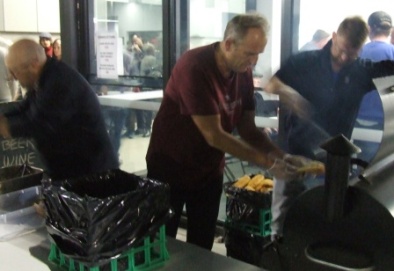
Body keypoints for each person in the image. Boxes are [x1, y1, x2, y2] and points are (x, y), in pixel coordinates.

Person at [146, 13, 310, 251]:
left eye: (258, 54)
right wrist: (268, 163)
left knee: (201, 246)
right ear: (229, 44)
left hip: (208, 172)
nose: (254, 62)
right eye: (249, 53)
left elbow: (248, 130)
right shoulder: (194, 66)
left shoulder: (242, 72)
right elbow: (214, 135)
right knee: (162, 246)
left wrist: (280, 156)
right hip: (170, 168)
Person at [264, 16, 394, 239]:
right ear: (334, 36)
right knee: (281, 221)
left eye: (351, 53)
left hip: (332, 163)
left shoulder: (361, 72)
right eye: (341, 49)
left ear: (360, 49)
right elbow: (272, 83)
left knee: (324, 224)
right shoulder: (306, 61)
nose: (344, 57)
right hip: (293, 154)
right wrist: (291, 95)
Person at [0, 39, 119, 180]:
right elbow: (25, 108)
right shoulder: (43, 79)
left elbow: (41, 123)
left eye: (15, 72)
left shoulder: (59, 82)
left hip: (93, 175)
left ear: (33, 64)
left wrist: (8, 126)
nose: (12, 77)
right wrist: (4, 118)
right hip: (73, 171)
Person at [354, 11, 394, 164]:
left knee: (356, 169)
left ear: (369, 29)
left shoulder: (357, 52)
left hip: (356, 121)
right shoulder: (392, 53)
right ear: (389, 30)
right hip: (384, 124)